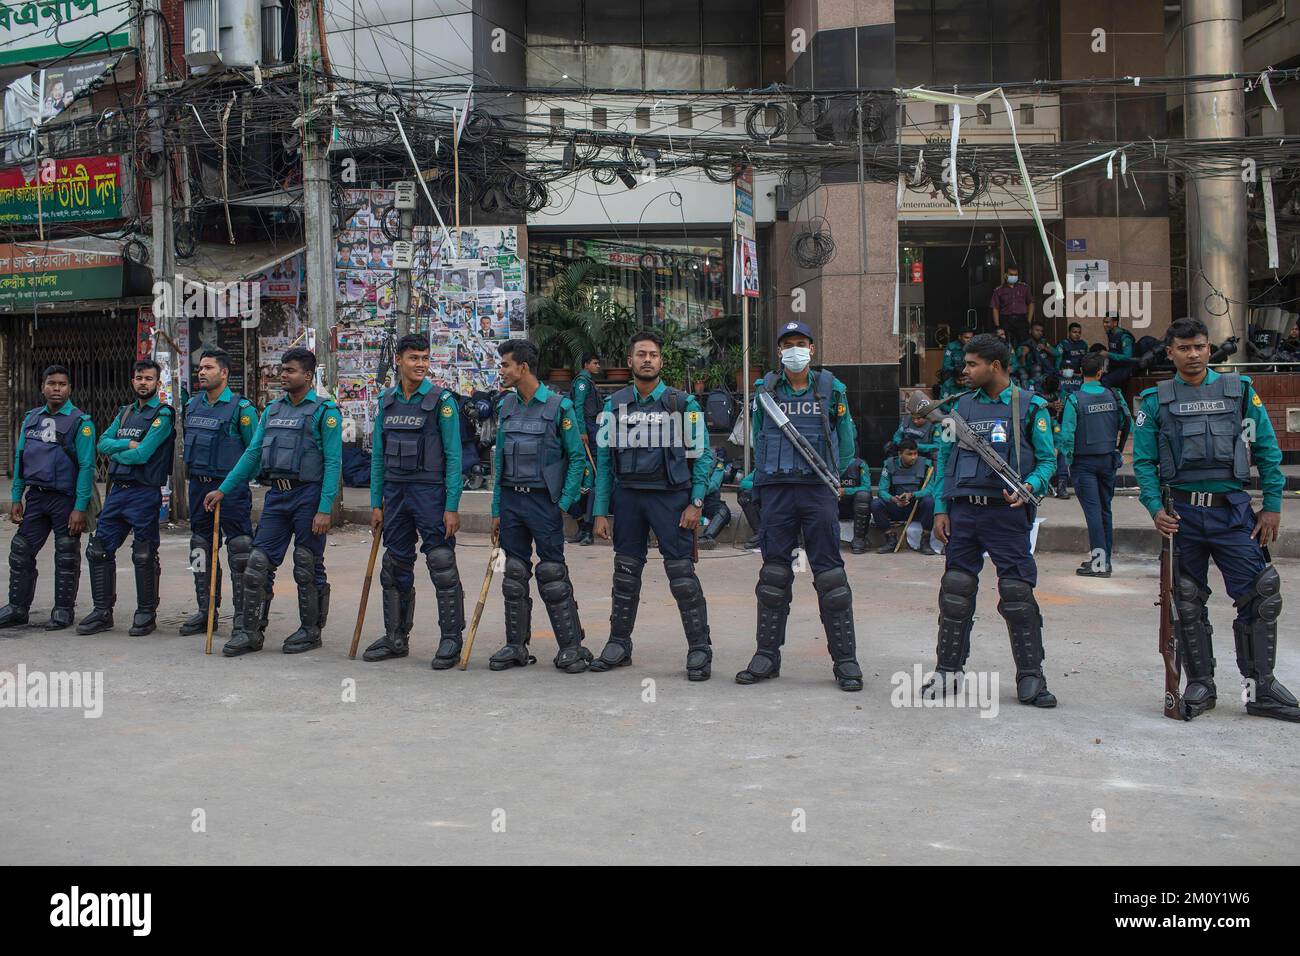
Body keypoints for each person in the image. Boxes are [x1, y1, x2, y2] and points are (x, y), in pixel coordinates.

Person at [1133, 317, 1297, 722]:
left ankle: (1262, 688)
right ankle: (1200, 684)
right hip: (1182, 515)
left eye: (1200, 347)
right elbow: (1143, 464)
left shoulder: (1240, 392)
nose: (1193, 354)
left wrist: (1272, 504)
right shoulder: (1154, 401)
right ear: (1169, 352)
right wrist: (1156, 509)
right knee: (1186, 602)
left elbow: (1268, 451)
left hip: (1233, 512)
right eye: (1184, 348)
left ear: (1210, 349)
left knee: (1260, 597)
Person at [926, 333, 1059, 707]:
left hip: (1007, 515)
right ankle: (947, 673)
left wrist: (1030, 486)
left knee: (1017, 596)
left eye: (972, 364)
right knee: (955, 593)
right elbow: (945, 459)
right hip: (965, 513)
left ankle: (1031, 677)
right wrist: (940, 507)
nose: (964, 370)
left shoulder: (1030, 406)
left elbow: (1048, 460)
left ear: (995, 366)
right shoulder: (959, 408)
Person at [736, 320, 863, 692]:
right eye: (788, 343)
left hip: (817, 491)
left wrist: (837, 480)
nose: (795, 349)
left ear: (811, 348)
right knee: (774, 576)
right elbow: (759, 437)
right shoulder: (765, 391)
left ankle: (846, 661)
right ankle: (766, 656)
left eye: (801, 343)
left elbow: (847, 440)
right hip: (776, 491)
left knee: (830, 577)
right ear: (779, 351)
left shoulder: (831, 389)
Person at [590, 330, 714, 680]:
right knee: (625, 575)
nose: (647, 359)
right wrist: (601, 510)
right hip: (628, 498)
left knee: (682, 578)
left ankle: (699, 649)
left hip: (672, 500)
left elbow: (701, 456)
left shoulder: (682, 404)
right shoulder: (612, 406)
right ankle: (618, 644)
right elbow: (604, 463)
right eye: (641, 354)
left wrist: (696, 503)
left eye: (654, 355)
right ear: (630, 361)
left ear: (661, 361)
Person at [204, 348, 342, 657]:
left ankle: (310, 630)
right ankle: (251, 632)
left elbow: (334, 463)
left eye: (290, 370)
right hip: (277, 497)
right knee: (257, 564)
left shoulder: (325, 411)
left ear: (308, 376)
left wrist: (324, 508)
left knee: (307, 566)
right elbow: (252, 454)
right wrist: (224, 490)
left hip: (309, 495)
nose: (283, 374)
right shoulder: (272, 410)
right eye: (282, 369)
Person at [362, 334, 465, 668]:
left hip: (430, 494)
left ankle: (451, 639)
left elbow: (454, 457)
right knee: (394, 567)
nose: (420, 364)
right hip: (395, 494)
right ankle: (396, 637)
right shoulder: (386, 401)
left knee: (442, 565)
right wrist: (376, 503)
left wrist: (452, 506)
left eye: (424, 358)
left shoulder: (442, 401)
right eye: (413, 358)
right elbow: (378, 456)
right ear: (399, 361)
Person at [488, 339, 591, 673]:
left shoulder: (559, 407)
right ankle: (516, 646)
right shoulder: (505, 407)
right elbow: (499, 464)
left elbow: (577, 458)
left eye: (505, 365)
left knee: (552, 574)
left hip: (542, 502)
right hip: (512, 502)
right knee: (513, 575)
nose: (501, 371)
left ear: (523, 368)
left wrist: (562, 503)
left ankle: (571, 648)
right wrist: (496, 510)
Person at [77, 360, 176, 636]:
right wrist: (126, 445)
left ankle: (146, 613)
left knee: (143, 555)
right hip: (117, 493)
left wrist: (117, 452)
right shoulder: (124, 413)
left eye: (148, 378)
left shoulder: (163, 415)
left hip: (144, 493)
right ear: (132, 381)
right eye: (138, 378)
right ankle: (102, 612)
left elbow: (143, 454)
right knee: (98, 550)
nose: (142, 382)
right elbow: (101, 443)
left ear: (157, 383)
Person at [0, 366, 95, 631]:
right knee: (21, 552)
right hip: (37, 498)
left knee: (66, 555)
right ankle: (17, 608)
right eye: (51, 383)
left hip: (65, 500)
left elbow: (87, 467)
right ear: (43, 387)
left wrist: (80, 507)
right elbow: (20, 458)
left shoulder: (81, 423)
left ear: (70, 389)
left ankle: (63, 610)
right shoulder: (31, 419)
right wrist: (17, 496)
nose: (56, 388)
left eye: (62, 384)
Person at [179, 349, 256, 639]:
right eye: (200, 367)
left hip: (230, 490)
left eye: (208, 367)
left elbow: (254, 451)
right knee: (200, 547)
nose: (201, 372)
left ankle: (241, 617)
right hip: (199, 486)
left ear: (224, 373)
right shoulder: (193, 405)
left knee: (240, 552)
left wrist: (230, 486)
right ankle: (205, 610)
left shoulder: (241, 408)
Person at [1060, 353, 1130, 577]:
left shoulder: (1074, 399)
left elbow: (1067, 434)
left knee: (1093, 512)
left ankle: (1100, 564)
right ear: (1101, 372)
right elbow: (1126, 421)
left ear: (1081, 372)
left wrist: (1070, 460)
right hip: (1108, 459)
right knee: (1104, 510)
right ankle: (1104, 560)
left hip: (1084, 463)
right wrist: (1119, 448)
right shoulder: (1114, 395)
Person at [871, 439, 936, 555]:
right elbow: (881, 491)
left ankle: (925, 541)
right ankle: (890, 539)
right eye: (909, 454)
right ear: (900, 454)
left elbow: (930, 490)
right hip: (897, 506)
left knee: (929, 501)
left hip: (917, 508)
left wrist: (913, 495)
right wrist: (893, 499)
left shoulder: (926, 465)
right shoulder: (889, 465)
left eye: (915, 453)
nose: (913, 457)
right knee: (876, 504)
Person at [567, 354, 602, 546]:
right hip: (587, 429)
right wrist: (582, 431)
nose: (598, 366)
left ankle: (586, 528)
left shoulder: (589, 381)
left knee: (593, 481)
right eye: (595, 363)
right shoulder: (582, 382)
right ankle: (583, 528)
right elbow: (578, 407)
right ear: (586, 364)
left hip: (592, 427)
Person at [698, 449, 734, 549]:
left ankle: (706, 538)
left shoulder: (716, 460)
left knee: (723, 511)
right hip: (688, 500)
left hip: (708, 501)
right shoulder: (687, 457)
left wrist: (697, 490)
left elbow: (714, 484)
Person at [990, 265, 1034, 346]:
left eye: (1015, 275)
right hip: (1005, 320)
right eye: (1011, 274)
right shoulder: (999, 290)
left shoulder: (1024, 288)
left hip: (1021, 320)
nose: (1013, 277)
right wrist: (997, 326)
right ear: (1005, 275)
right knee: (1005, 344)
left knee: (1024, 345)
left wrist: (1028, 321)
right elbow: (995, 308)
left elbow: (1031, 303)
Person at [839, 453, 873, 555]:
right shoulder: (828, 462)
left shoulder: (860, 464)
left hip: (854, 508)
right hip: (833, 507)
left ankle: (859, 540)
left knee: (863, 495)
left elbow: (867, 487)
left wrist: (845, 491)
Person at [1100, 314, 1137, 390]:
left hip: (1126, 368)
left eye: (1107, 322)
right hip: (1115, 366)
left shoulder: (1124, 337)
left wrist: (1108, 354)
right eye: (1104, 322)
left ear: (1115, 323)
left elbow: (1127, 357)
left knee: (1106, 380)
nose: (1104, 325)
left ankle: (1112, 401)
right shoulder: (1110, 334)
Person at [1017, 321, 1058, 389]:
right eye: (1037, 330)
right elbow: (1021, 365)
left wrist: (1045, 348)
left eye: (1041, 331)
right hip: (1033, 374)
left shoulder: (1043, 341)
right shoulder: (1025, 344)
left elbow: (1056, 353)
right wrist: (1023, 354)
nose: (1040, 333)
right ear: (1030, 331)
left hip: (1047, 372)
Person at [1056, 322, 1089, 395]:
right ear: (1069, 332)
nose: (1077, 334)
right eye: (1074, 332)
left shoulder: (1083, 344)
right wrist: (1061, 372)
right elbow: (1058, 363)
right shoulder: (1063, 344)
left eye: (1079, 332)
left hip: (1081, 376)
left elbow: (1086, 361)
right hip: (1066, 376)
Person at [938, 329, 973, 395]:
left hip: (968, 375)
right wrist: (957, 370)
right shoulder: (951, 347)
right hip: (954, 374)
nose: (969, 340)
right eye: (966, 337)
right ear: (959, 337)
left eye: (971, 338)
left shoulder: (974, 347)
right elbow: (946, 365)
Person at [736, 470, 760, 549]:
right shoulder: (763, 465)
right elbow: (744, 483)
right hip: (765, 492)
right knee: (744, 494)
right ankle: (759, 533)